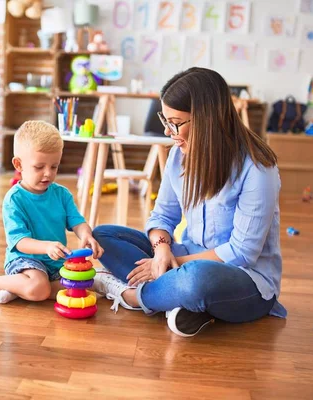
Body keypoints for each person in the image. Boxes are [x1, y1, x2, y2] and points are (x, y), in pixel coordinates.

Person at [92, 68, 287, 337]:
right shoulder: (178, 156)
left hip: (245, 280)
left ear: (207, 120)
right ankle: (183, 305)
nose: (168, 130)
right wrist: (161, 252)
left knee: (197, 280)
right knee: (103, 237)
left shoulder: (257, 168)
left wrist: (176, 263)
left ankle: (134, 296)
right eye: (166, 120)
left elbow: (242, 252)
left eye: (175, 122)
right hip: (184, 258)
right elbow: (162, 217)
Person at [0, 121, 104, 302]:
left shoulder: (62, 194)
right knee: (40, 289)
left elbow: (77, 221)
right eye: (39, 167)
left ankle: (17, 288)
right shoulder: (14, 199)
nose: (48, 173)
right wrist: (47, 246)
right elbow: (20, 242)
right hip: (24, 260)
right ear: (18, 164)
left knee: (78, 287)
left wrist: (86, 234)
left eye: (54, 166)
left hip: (55, 264)